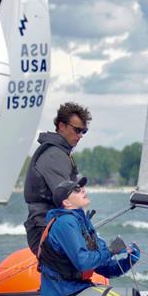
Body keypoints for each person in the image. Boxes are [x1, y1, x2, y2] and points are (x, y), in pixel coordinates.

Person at [38, 177, 142, 296]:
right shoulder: (65, 223)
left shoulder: (82, 223)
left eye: (81, 187)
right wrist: (111, 250)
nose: (82, 190)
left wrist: (129, 260)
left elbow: (106, 269)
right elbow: (84, 262)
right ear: (66, 202)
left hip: (78, 290)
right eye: (76, 190)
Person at [24, 102, 91, 255]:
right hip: (45, 230)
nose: (80, 135)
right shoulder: (54, 155)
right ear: (61, 126)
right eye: (77, 130)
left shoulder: (62, 153)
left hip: (55, 227)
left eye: (84, 131)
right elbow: (66, 198)